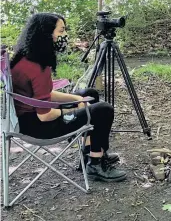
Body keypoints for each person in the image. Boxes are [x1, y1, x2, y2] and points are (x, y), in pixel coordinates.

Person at [11, 12, 127, 182]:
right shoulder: (38, 68)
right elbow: (45, 115)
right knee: (103, 110)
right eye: (61, 31)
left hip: (25, 118)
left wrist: (77, 100)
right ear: (46, 34)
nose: (64, 36)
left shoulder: (25, 59)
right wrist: (76, 108)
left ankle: (89, 153)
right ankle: (95, 163)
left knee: (89, 94)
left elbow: (44, 94)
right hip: (39, 127)